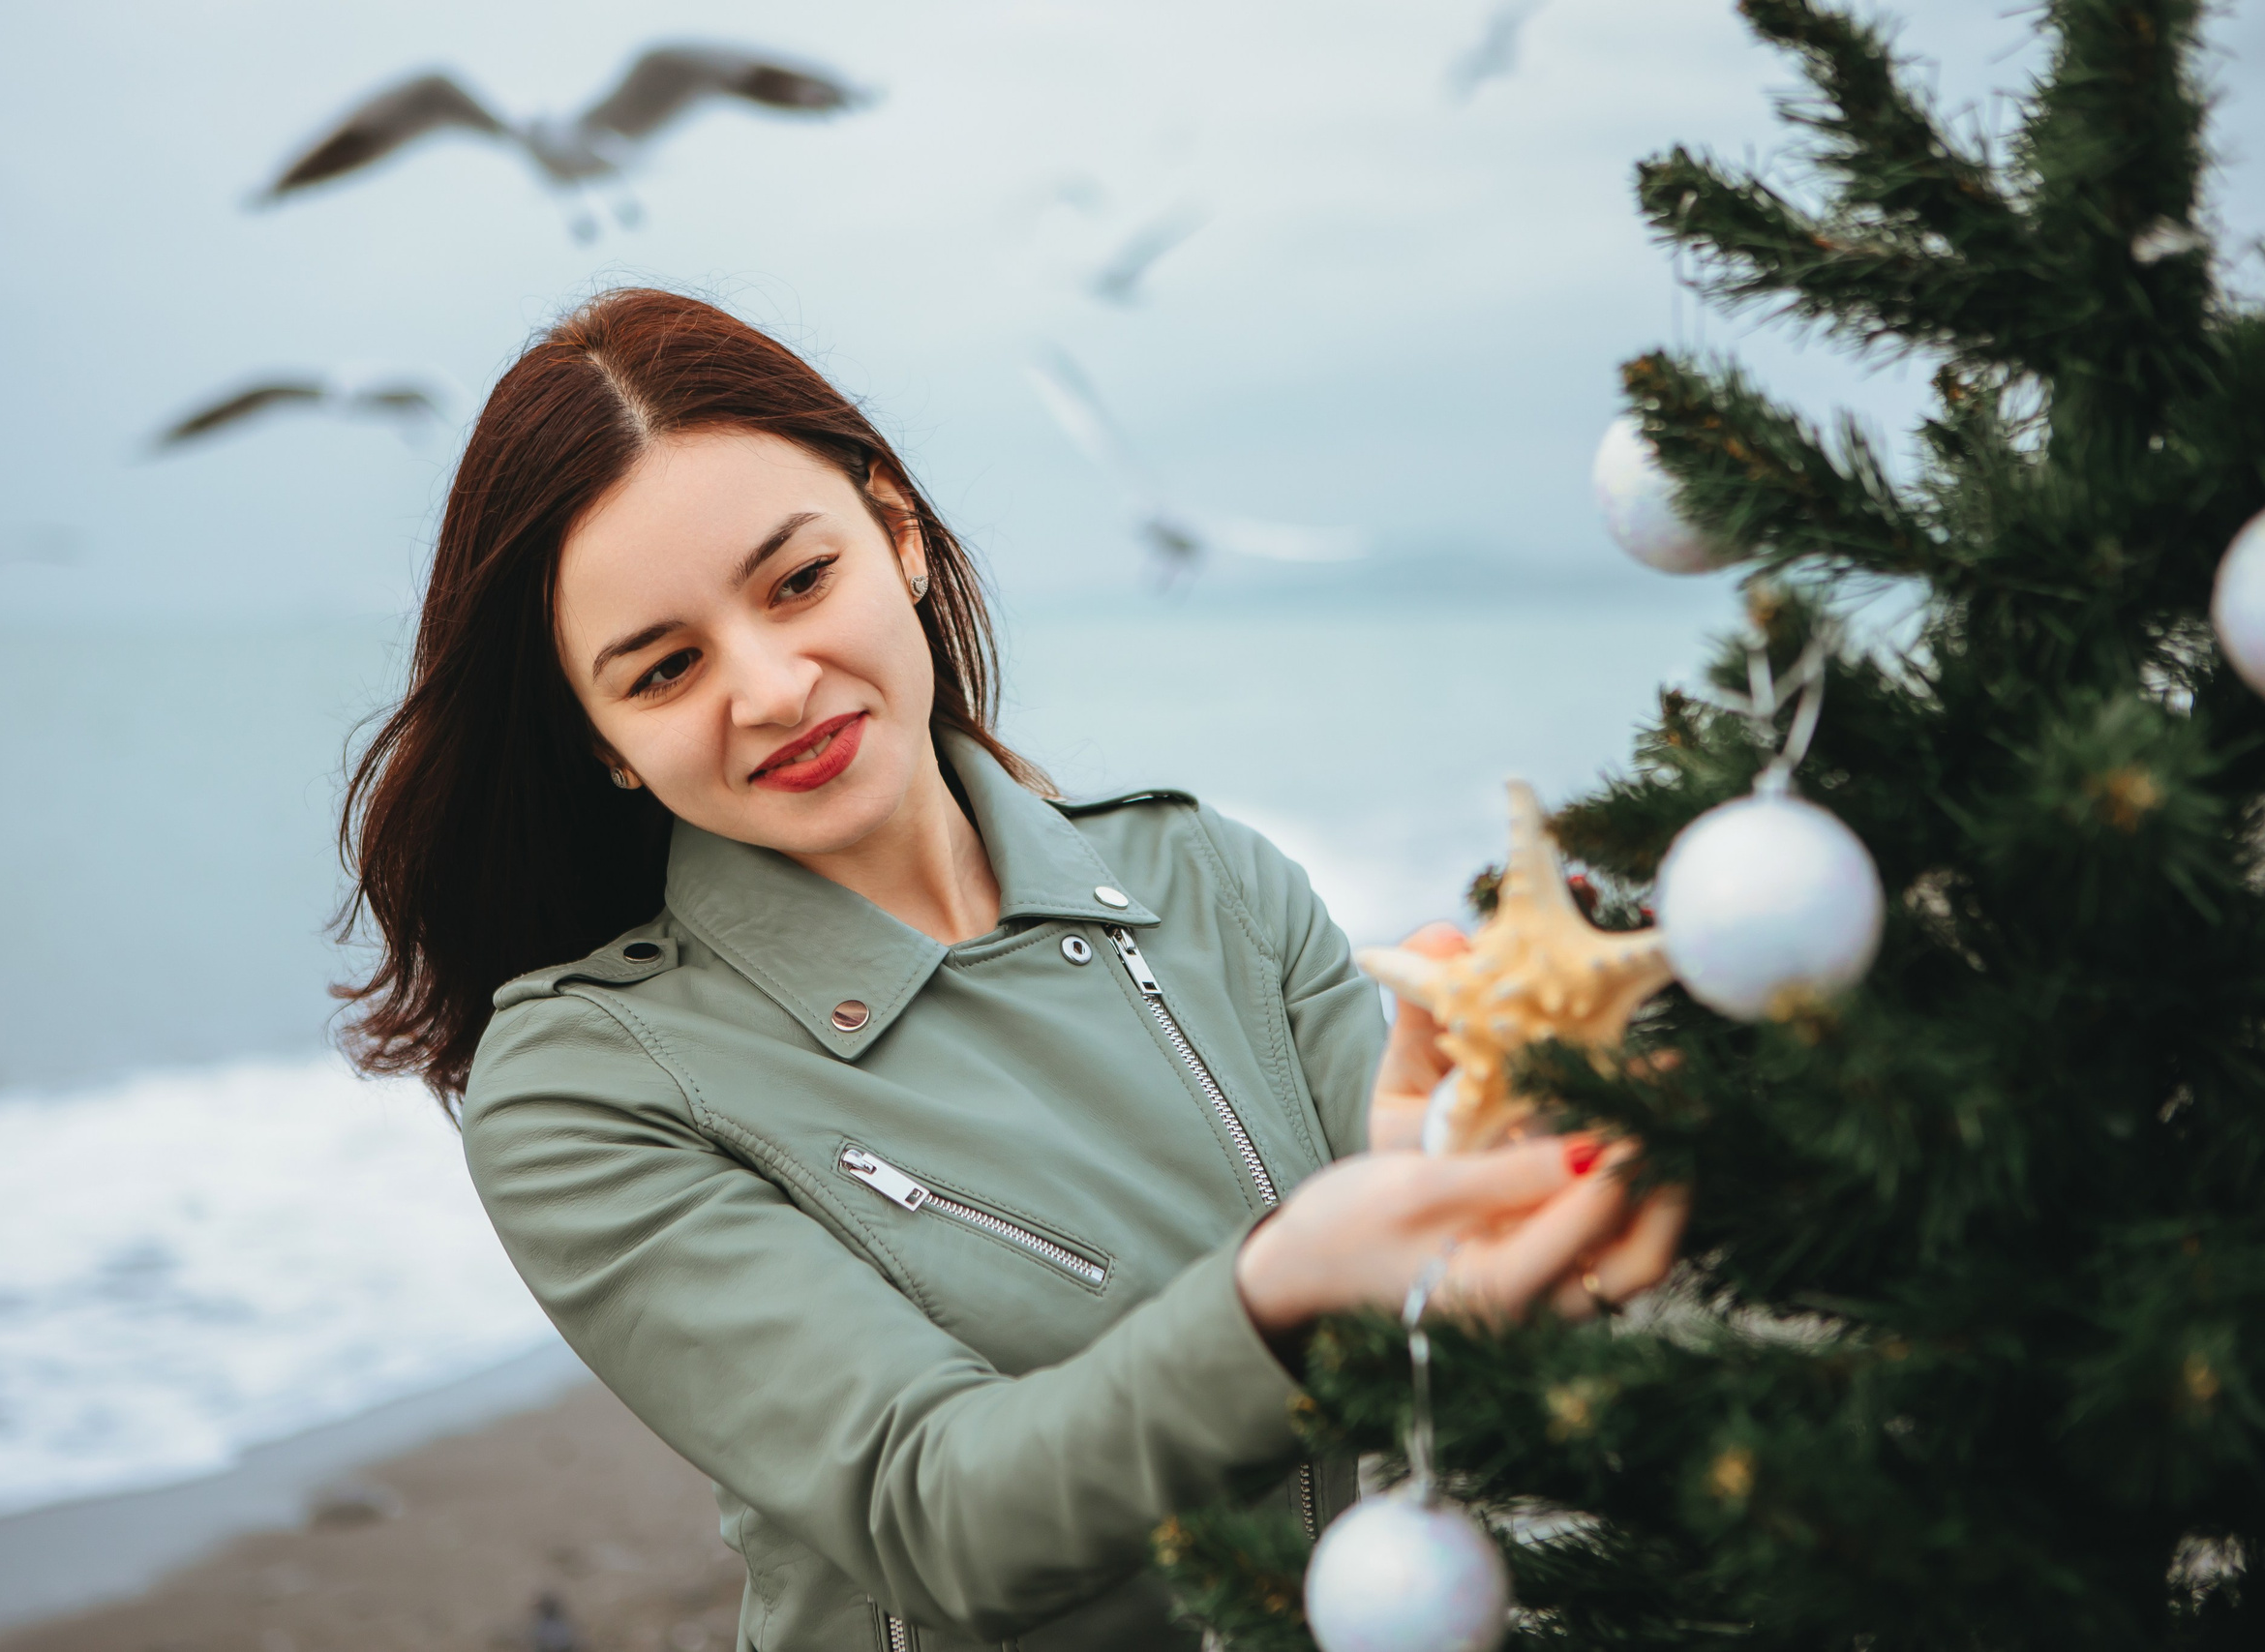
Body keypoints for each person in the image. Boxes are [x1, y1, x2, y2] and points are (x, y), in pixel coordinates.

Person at [340, 288, 1687, 1652]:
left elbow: (1442, 1284)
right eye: (667, 668)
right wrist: (1284, 1288)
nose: (774, 687)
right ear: (605, 743)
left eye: (798, 581)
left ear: (898, 537)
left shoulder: (1204, 880)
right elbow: (940, 1513)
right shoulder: (585, 1086)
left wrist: (1489, 1155)